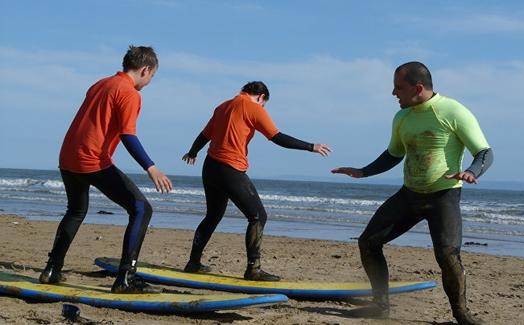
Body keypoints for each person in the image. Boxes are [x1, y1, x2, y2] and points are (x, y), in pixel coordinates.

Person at [332, 62, 493, 325]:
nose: (394, 94)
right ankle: (380, 306)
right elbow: (394, 153)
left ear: (418, 88)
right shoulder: (402, 117)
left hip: (443, 196)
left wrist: (472, 171)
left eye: (398, 88)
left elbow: (484, 152)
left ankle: (462, 316)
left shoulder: (452, 111)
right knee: (369, 242)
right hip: (410, 195)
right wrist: (363, 172)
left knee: (447, 255)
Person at [39, 45, 173, 294]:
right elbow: (128, 135)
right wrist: (150, 167)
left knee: (76, 210)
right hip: (92, 160)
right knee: (141, 209)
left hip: (68, 156)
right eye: (152, 76)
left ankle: (51, 269)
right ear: (145, 69)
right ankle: (125, 278)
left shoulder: (101, 83)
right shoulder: (130, 93)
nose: (150, 82)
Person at [181, 81, 331, 281]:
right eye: (264, 104)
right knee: (258, 216)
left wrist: (192, 152)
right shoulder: (253, 107)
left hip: (210, 167)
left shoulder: (223, 106)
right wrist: (311, 146)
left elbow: (204, 135)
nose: (263, 108)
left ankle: (193, 263)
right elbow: (276, 137)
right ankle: (253, 269)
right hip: (230, 168)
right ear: (261, 97)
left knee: (213, 215)